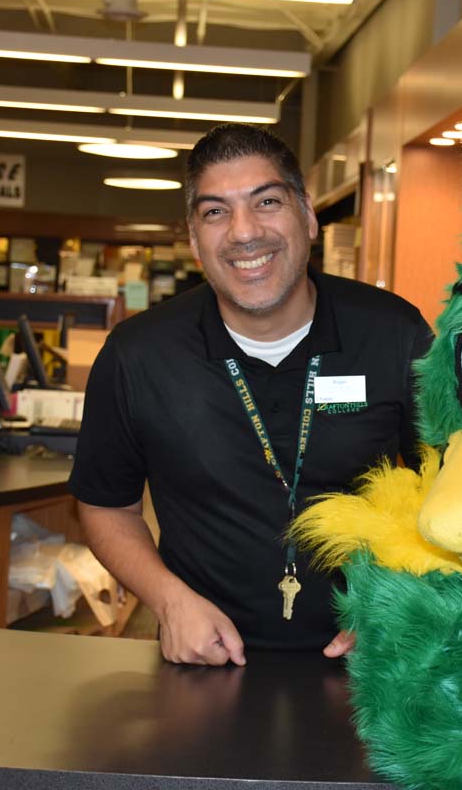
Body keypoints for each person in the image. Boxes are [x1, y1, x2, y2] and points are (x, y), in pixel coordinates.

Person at [69, 124, 433, 667]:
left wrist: (407, 600)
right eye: (216, 211)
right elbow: (105, 505)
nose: (243, 232)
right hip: (203, 662)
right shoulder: (138, 354)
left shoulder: (393, 333)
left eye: (267, 202)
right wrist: (169, 602)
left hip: (374, 665)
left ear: (307, 215)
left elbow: (453, 483)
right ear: (194, 240)